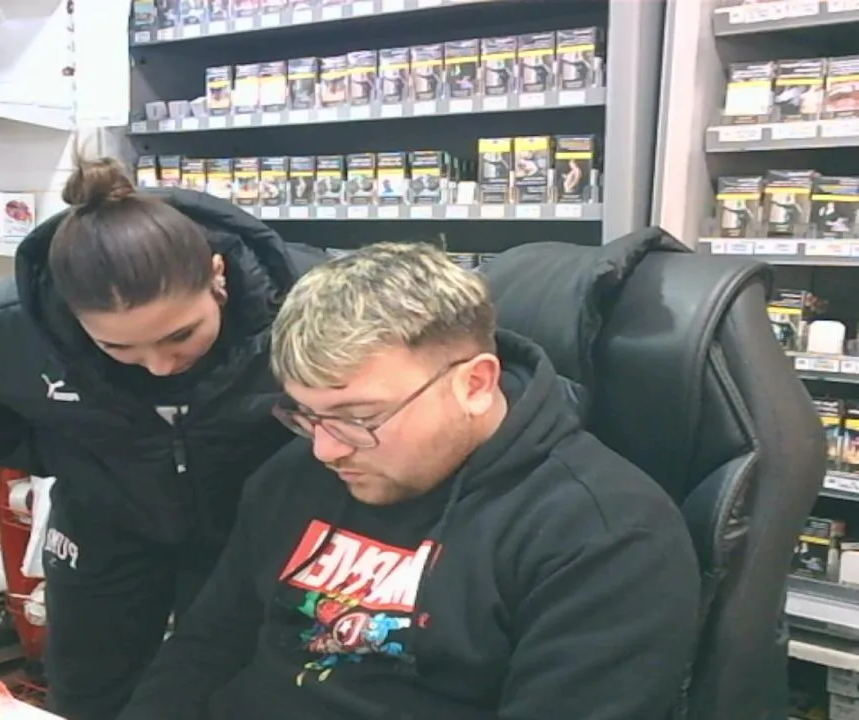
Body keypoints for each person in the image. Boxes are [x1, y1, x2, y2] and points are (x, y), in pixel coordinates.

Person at [117, 242, 702, 720]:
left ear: (474, 384)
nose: (325, 448)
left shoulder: (606, 535)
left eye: (358, 418)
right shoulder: (295, 474)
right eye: (307, 415)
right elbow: (205, 649)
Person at [0, 157, 323, 720]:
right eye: (118, 348)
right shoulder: (9, 324)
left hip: (250, 528)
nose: (159, 365)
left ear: (217, 275)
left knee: (232, 693)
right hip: (105, 523)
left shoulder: (309, 299)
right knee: (89, 694)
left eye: (181, 335)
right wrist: (57, 450)